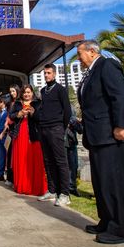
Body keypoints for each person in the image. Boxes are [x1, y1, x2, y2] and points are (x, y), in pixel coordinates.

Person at [77, 40, 124, 244]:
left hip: (110, 135)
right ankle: (107, 221)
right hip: (96, 135)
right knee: (101, 182)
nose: (78, 58)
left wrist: (119, 126)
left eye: (80, 54)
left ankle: (121, 230)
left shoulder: (107, 66)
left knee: (113, 182)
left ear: (92, 52)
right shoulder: (91, 71)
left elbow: (120, 97)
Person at [36, 64, 72, 206]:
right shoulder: (43, 91)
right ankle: (52, 190)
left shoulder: (61, 90)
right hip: (43, 129)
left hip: (56, 128)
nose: (46, 75)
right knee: (48, 160)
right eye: (45, 73)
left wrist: (61, 128)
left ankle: (64, 194)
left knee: (60, 161)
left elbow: (67, 111)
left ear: (55, 74)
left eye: (49, 73)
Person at [10, 84, 47, 196]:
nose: (26, 94)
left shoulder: (38, 103)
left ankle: (35, 186)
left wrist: (33, 113)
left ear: (32, 93)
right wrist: (19, 114)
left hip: (33, 135)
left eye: (28, 92)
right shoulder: (17, 103)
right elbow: (11, 116)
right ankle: (22, 185)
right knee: (21, 160)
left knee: (35, 159)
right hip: (20, 135)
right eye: (24, 92)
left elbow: (42, 118)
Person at [4, 84, 21, 186]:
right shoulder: (10, 103)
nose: (12, 93)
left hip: (17, 129)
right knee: (9, 155)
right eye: (11, 91)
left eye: (14, 91)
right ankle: (10, 177)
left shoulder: (19, 102)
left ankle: (15, 178)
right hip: (10, 131)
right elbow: (8, 116)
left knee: (16, 155)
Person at [66, 110, 83, 197]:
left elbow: (80, 129)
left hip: (71, 141)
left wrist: (72, 121)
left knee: (74, 166)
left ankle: (72, 187)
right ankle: (65, 187)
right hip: (62, 139)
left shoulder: (71, 108)